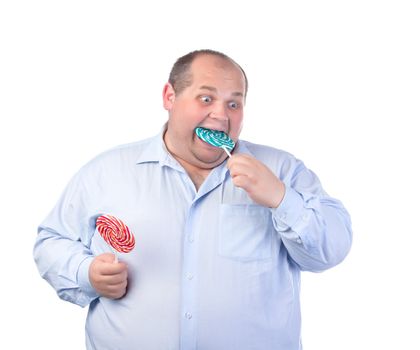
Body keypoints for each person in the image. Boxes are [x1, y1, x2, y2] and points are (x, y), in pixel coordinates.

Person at [34, 49, 352, 350]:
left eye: (234, 104)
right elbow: (51, 240)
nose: (221, 115)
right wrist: (85, 272)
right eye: (206, 98)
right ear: (169, 97)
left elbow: (332, 250)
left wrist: (281, 199)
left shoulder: (282, 170)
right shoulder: (106, 172)